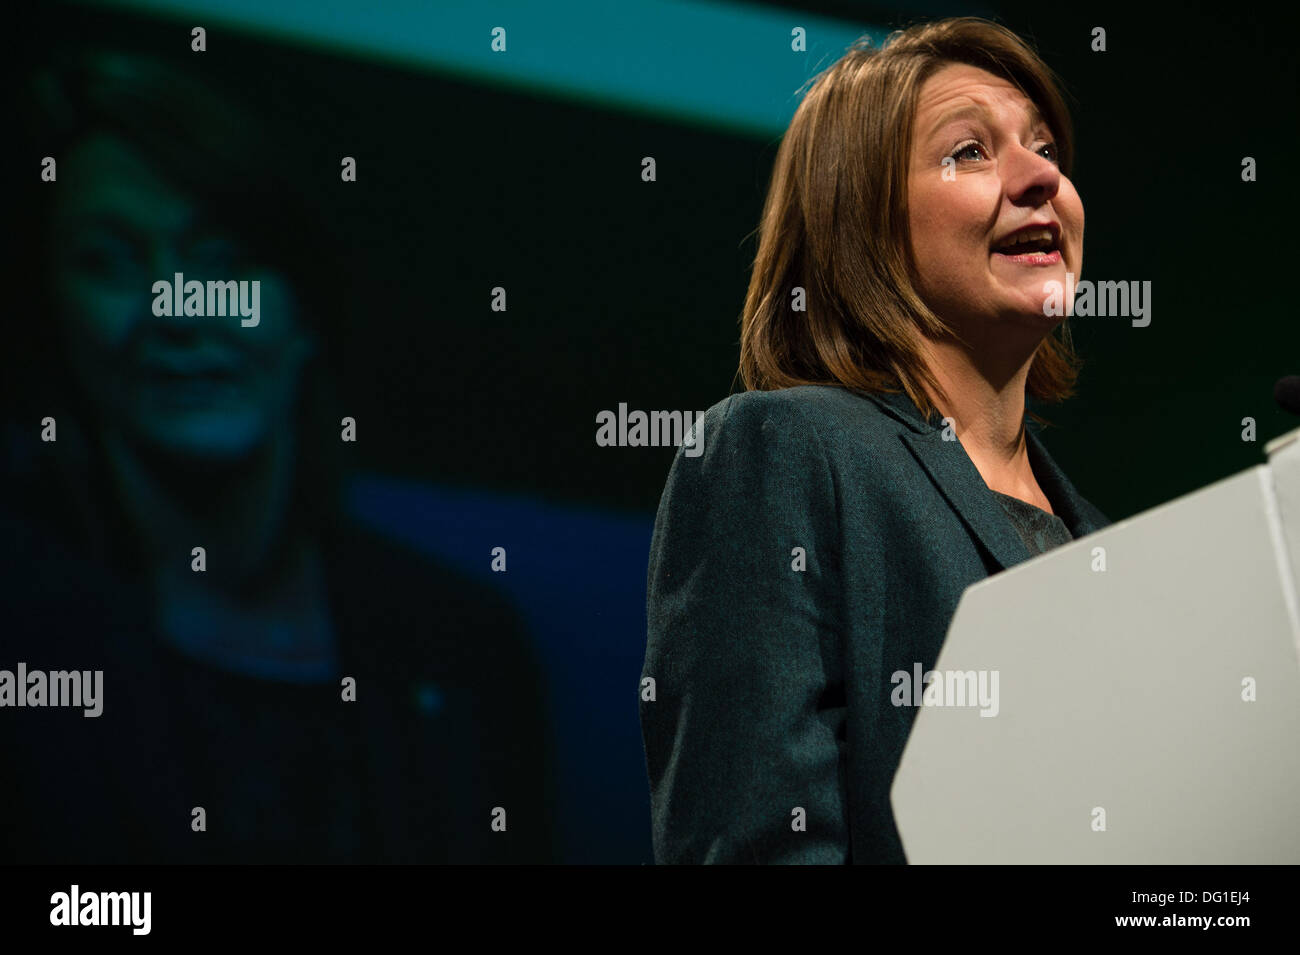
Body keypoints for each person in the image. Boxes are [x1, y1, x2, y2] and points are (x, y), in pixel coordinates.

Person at [1, 49, 557, 863]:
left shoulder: (465, 646)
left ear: (304, 311)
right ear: (53, 317)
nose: (175, 309)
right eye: (109, 262)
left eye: (223, 262)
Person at [639, 17, 1110, 864]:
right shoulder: (781, 450)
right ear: (861, 222)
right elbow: (756, 842)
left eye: (1046, 149)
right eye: (969, 151)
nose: (1041, 176)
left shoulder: (1104, 541)